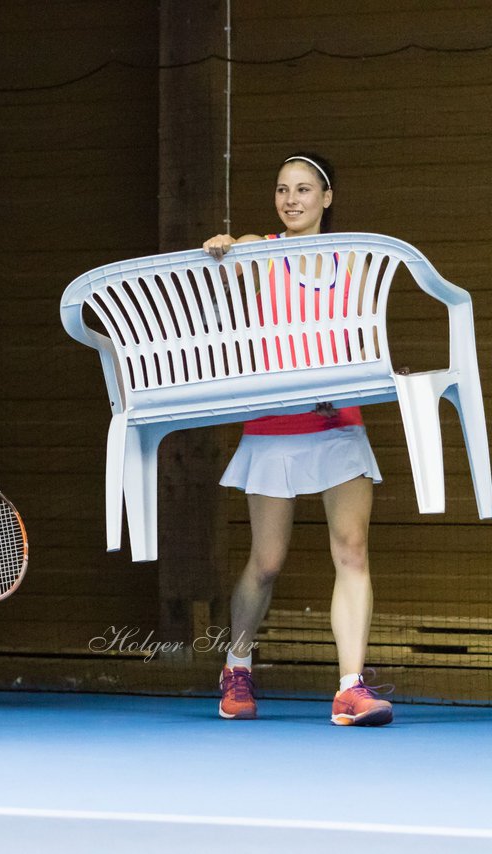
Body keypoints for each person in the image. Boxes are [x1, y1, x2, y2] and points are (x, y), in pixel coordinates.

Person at [202, 151, 393, 726]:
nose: (291, 199)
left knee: (351, 550)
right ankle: (237, 666)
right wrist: (223, 253)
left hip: (339, 423)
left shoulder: (351, 259)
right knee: (266, 561)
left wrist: (354, 377)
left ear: (326, 199)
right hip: (275, 426)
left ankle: (350, 687)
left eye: (304, 189)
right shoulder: (260, 252)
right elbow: (225, 280)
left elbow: (363, 335)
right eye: (283, 189)